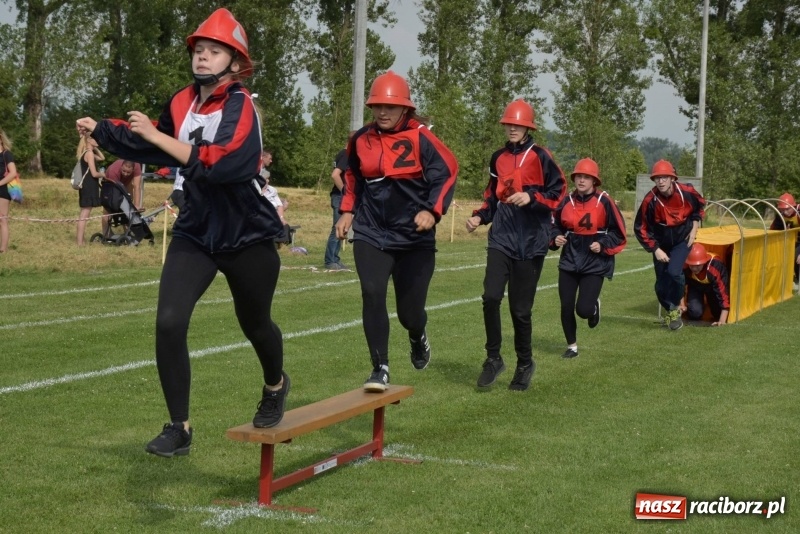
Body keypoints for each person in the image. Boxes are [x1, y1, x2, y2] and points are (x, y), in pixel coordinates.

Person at [76, 8, 289, 457]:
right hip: (196, 229)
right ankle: (180, 427)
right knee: (169, 322)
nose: (203, 57)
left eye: (214, 51)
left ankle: (275, 383)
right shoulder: (180, 101)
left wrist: (158, 139)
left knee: (255, 324)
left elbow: (225, 160)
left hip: (246, 231)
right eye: (199, 50)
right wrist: (104, 129)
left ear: (235, 62)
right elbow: (147, 143)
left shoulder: (242, 105)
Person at [335, 70, 458, 392]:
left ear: (406, 108)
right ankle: (380, 367)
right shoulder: (360, 139)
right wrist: (347, 210)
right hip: (372, 232)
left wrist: (433, 211)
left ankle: (418, 336)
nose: (382, 113)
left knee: (410, 313)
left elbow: (447, 173)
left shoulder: (422, 138)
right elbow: (352, 179)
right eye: (377, 106)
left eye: (390, 107)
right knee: (372, 292)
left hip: (414, 240)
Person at [466, 99, 566, 391]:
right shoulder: (497, 157)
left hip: (532, 243)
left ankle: (525, 363)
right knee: (490, 297)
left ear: (527, 127)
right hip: (501, 239)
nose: (512, 128)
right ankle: (493, 358)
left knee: (520, 310)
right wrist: (479, 217)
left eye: (517, 124)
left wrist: (532, 198)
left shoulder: (541, 156)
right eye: (508, 123)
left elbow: (559, 193)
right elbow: (493, 196)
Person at [550, 158, 626, 358]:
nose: (582, 180)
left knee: (582, 309)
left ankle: (592, 308)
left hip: (594, 261)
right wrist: (554, 237)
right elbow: (553, 225)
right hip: (569, 260)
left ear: (594, 181)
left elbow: (619, 232)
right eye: (578, 176)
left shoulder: (605, 201)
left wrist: (602, 244)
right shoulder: (565, 201)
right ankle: (572, 346)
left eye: (586, 177)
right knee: (566, 306)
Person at [634, 159, 705, 331]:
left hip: (682, 240)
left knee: (674, 272)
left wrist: (695, 227)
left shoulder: (687, 191)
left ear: (672, 178)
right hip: (660, 243)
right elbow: (640, 228)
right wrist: (655, 249)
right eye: (657, 178)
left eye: (665, 177)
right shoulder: (649, 200)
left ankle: (678, 304)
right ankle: (672, 310)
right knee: (660, 285)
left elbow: (700, 206)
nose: (661, 181)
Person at [324, 132, 355, 271]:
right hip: (339, 197)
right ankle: (330, 260)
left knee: (341, 228)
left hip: (341, 197)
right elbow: (335, 175)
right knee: (337, 228)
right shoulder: (346, 154)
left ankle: (335, 259)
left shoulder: (345, 154)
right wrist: (345, 192)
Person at [679, 243, 730, 326]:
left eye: (698, 265)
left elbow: (723, 292)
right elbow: (680, 285)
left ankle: (709, 303)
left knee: (717, 313)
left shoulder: (715, 267)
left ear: (704, 262)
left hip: (712, 287)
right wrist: (681, 304)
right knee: (695, 313)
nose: (694, 268)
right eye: (692, 265)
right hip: (695, 285)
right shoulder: (685, 266)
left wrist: (722, 320)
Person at [75, 135, 106, 246]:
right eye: (95, 138)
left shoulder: (87, 152)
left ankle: (81, 240)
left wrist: (94, 147)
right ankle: (79, 242)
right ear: (88, 140)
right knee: (84, 214)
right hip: (89, 186)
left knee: (84, 214)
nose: (98, 140)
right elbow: (94, 173)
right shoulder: (89, 154)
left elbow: (102, 158)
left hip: (86, 186)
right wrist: (103, 174)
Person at [102, 159, 142, 235]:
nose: (126, 174)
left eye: (128, 172)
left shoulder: (137, 166)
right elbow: (115, 190)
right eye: (124, 171)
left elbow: (137, 187)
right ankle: (106, 233)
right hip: (111, 185)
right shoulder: (113, 171)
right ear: (121, 167)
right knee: (108, 209)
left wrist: (136, 205)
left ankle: (127, 231)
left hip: (126, 184)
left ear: (133, 169)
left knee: (127, 207)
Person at [769, 192, 800, 290]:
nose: (785, 212)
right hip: (789, 241)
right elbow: (774, 231)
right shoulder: (780, 215)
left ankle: (798, 280)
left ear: (793, 206)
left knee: (797, 256)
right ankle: (784, 278)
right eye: (782, 210)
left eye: (787, 209)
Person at [0, 128, 18, 253]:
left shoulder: (6, 154)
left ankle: (3, 249)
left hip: (3, 190)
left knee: (2, 220)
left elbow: (13, 173)